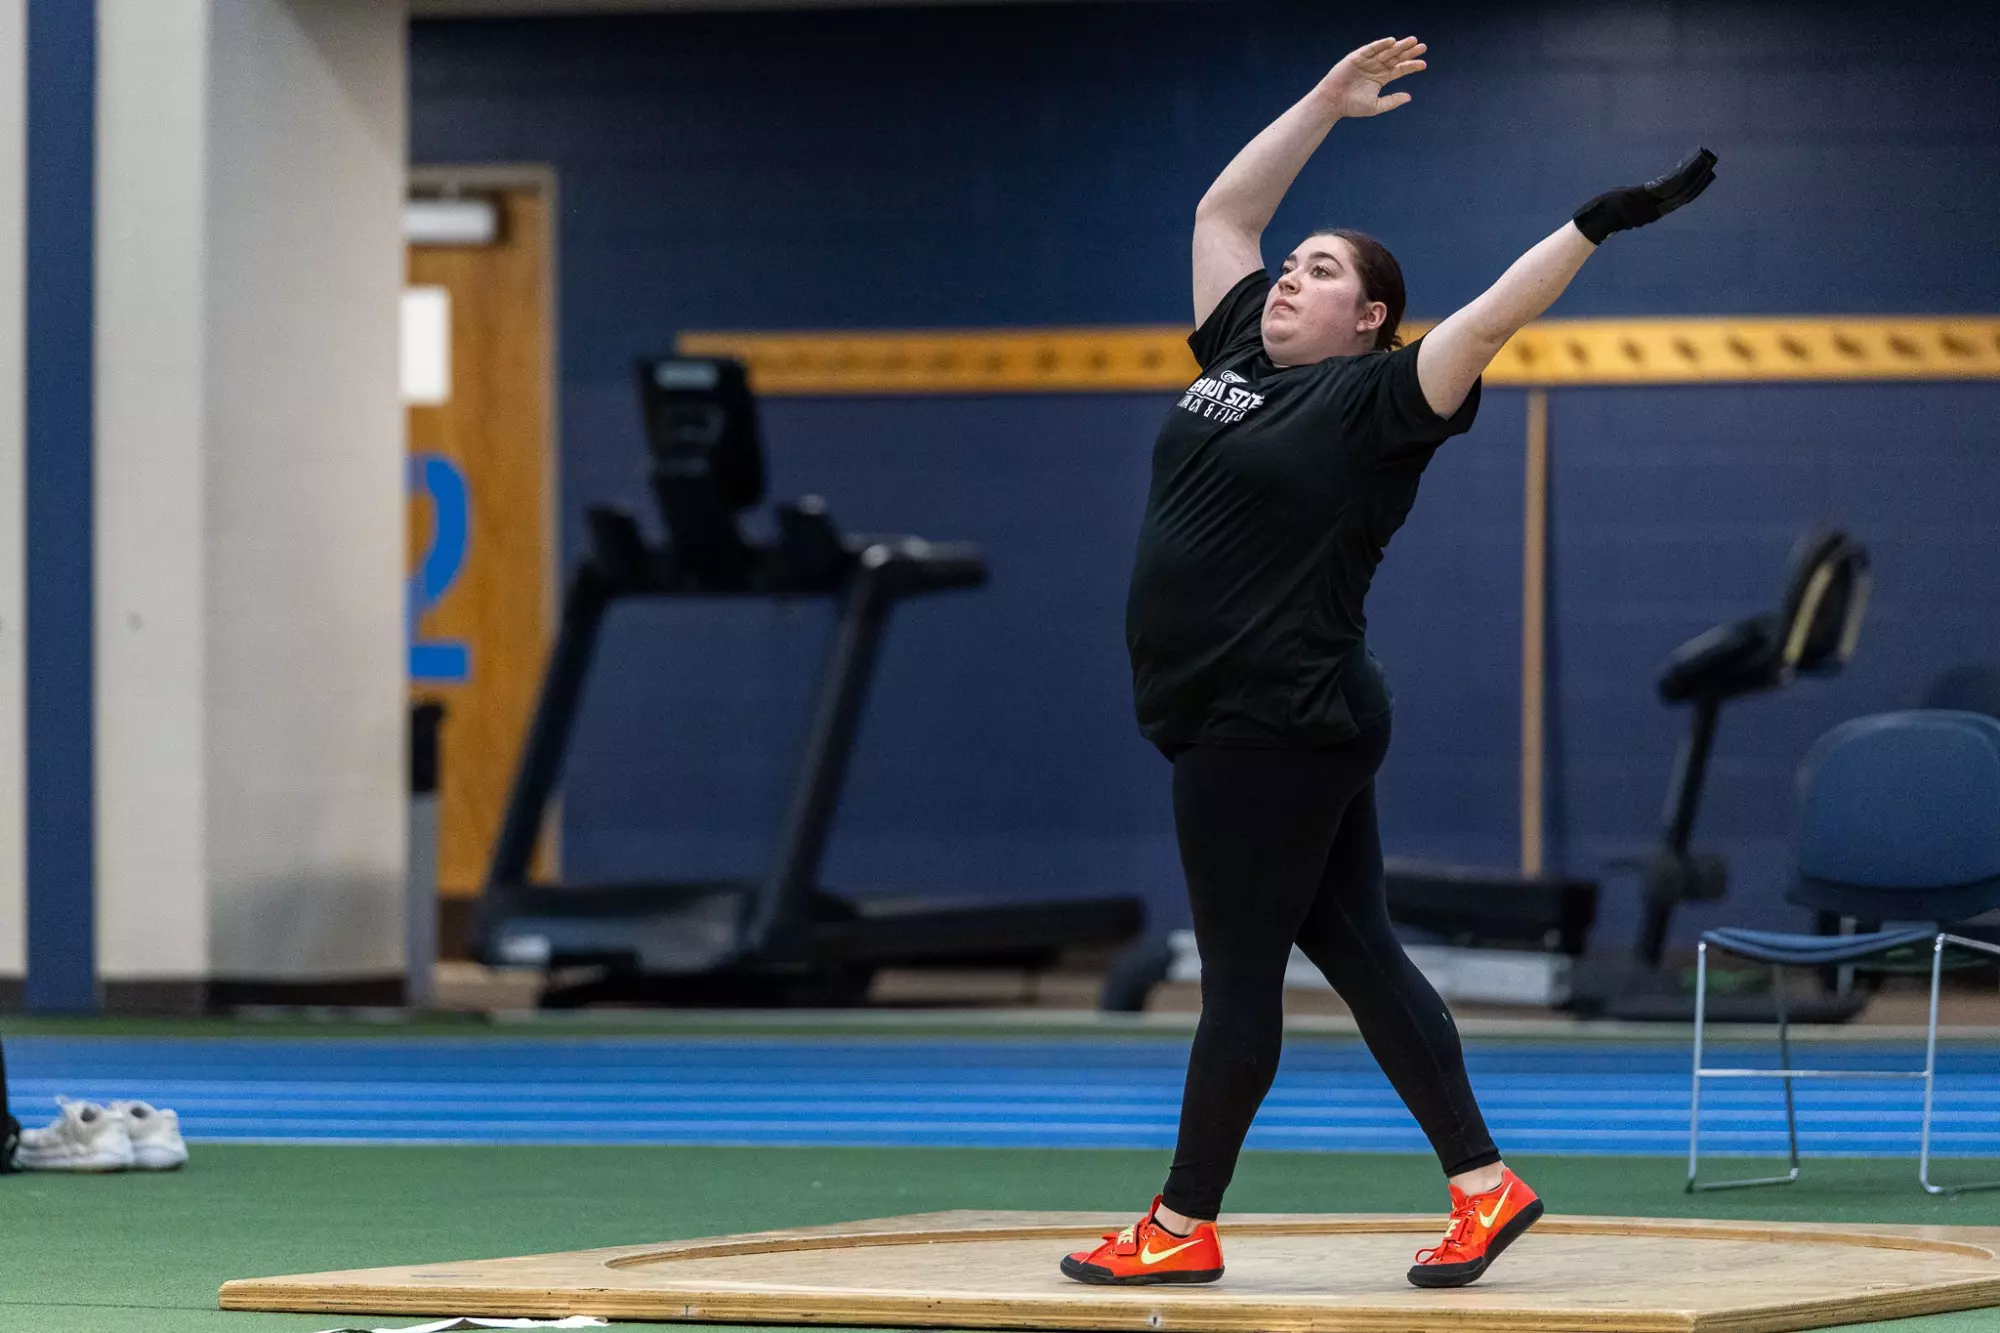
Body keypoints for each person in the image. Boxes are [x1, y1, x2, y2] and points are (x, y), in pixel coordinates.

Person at [1060, 36, 1715, 1290]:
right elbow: (1223, 209)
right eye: (1288, 267)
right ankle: (1483, 1183)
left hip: (1270, 719)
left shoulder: (1378, 404)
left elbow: (1492, 314)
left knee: (1240, 976)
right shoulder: (1237, 359)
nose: (1286, 278)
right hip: (1260, 716)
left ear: (1367, 317)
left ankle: (1181, 1219)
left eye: (1318, 272)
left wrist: (1591, 224)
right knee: (1354, 946)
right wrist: (1320, 104)